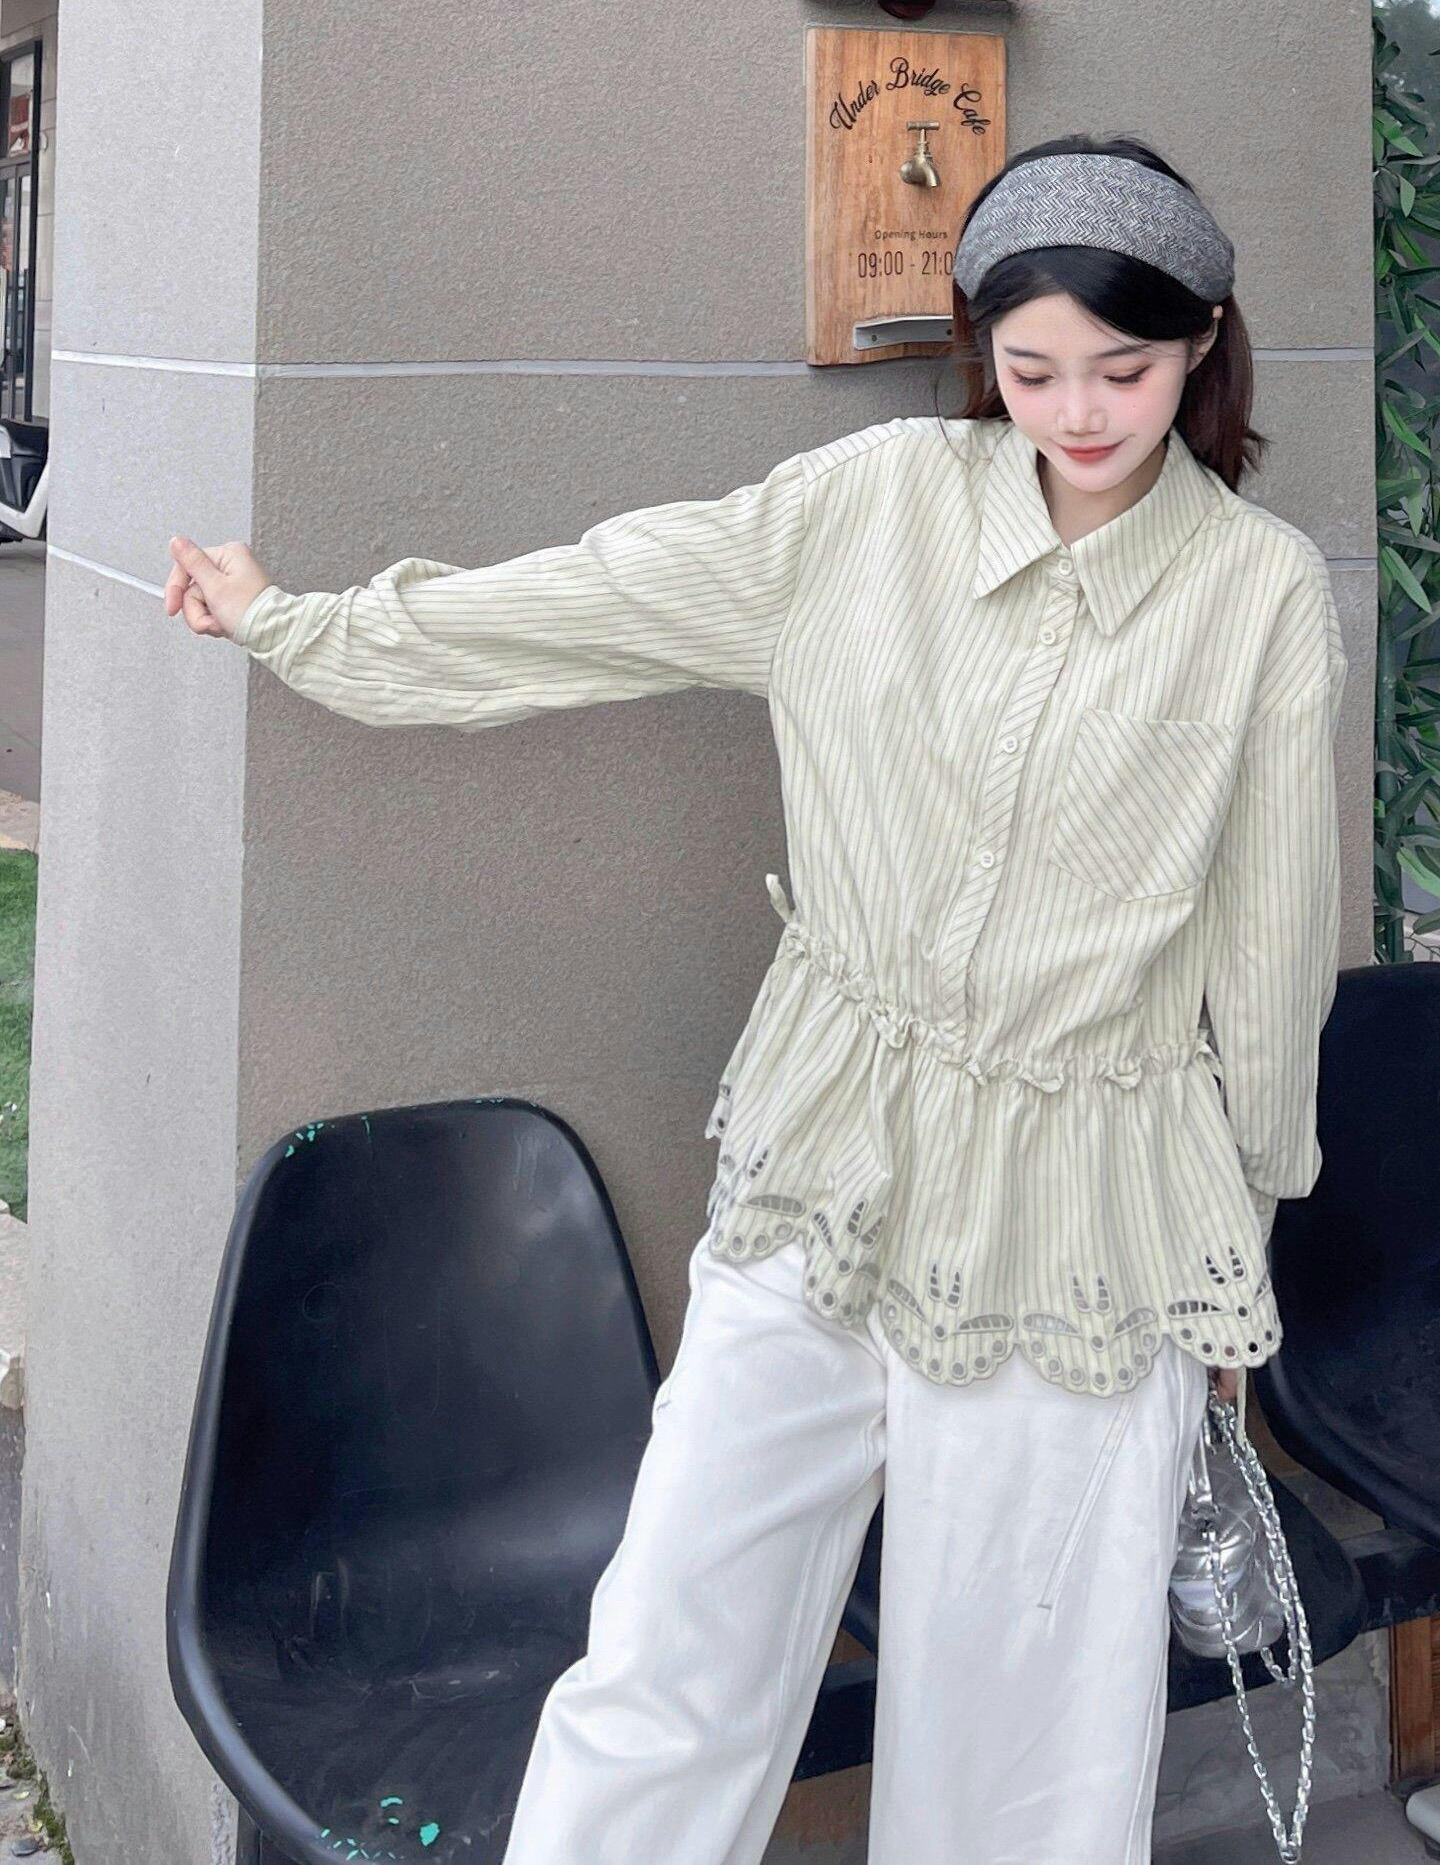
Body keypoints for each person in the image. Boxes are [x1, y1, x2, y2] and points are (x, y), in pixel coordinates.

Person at [162, 131, 1348, 1865]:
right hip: (831, 1153)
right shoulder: (863, 508)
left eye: (1124, 367)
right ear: (981, 350)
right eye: (1031, 369)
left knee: (1020, 1742)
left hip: (1084, 1210)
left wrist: (1229, 1258)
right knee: (674, 1642)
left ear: (1201, 346)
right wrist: (309, 628)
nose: (1078, 411)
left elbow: (1270, 949)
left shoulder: (1257, 594)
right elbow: (588, 605)